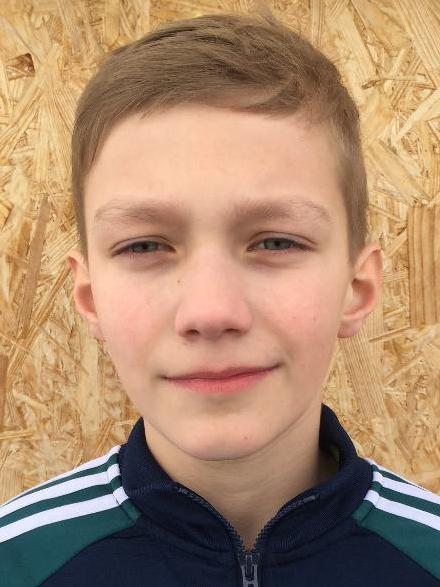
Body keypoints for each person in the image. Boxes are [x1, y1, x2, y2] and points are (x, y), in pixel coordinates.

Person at [1, 8, 439, 587]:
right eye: (143, 246)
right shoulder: (17, 561)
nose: (210, 312)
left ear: (356, 289)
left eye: (276, 242)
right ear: (89, 297)